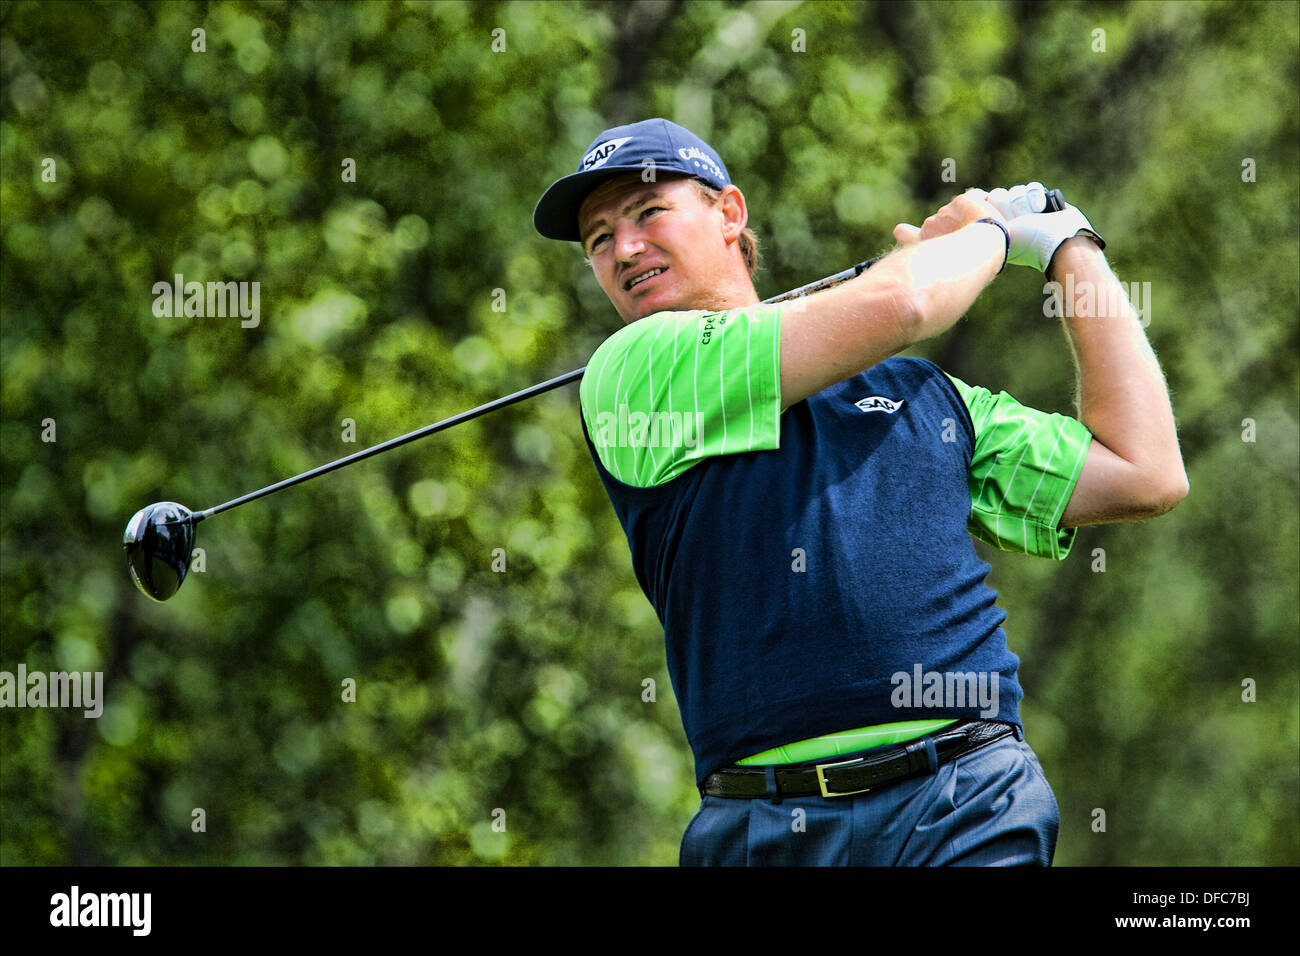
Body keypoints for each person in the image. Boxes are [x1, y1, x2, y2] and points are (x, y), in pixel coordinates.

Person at [533, 117, 1188, 865]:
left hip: (966, 799)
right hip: (765, 830)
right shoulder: (634, 374)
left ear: (729, 214)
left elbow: (1147, 470)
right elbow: (905, 307)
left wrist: (1071, 246)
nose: (623, 248)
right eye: (598, 239)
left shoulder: (926, 396)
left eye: (648, 212)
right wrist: (998, 233)